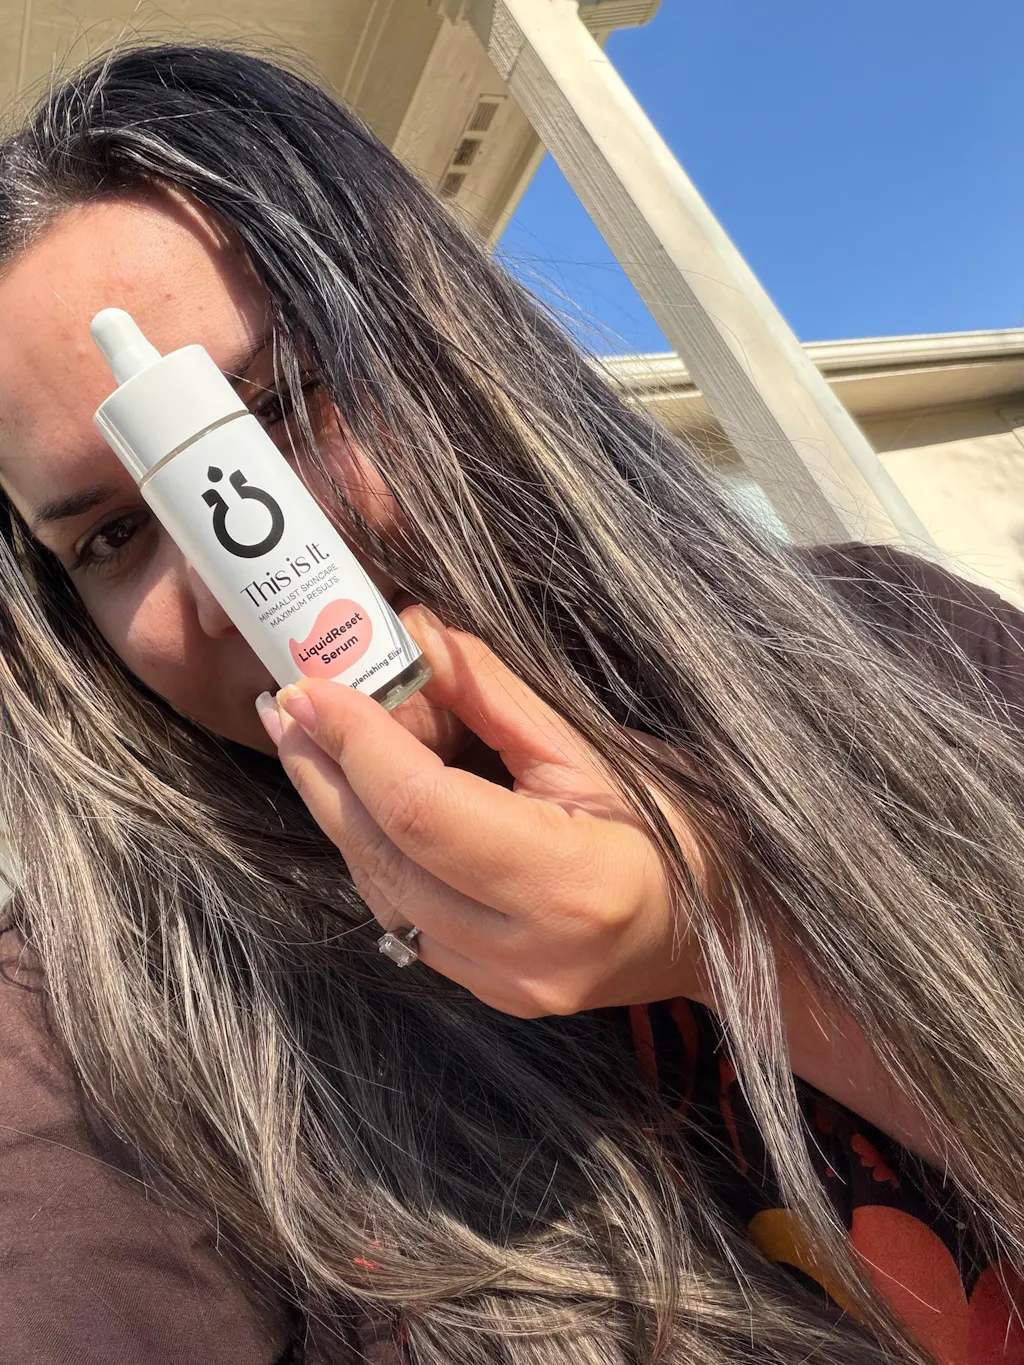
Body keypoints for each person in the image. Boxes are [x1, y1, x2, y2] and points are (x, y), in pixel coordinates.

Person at [0, 42, 1023, 1365]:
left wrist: (733, 934)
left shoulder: (901, 655)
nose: (230, 583)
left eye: (279, 407)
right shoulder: (92, 1036)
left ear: (443, 345)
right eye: (114, 536)